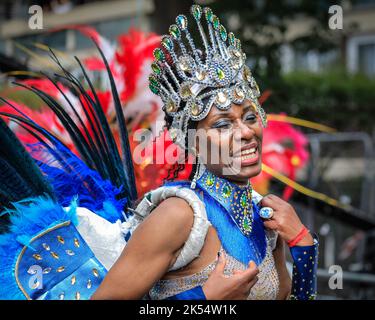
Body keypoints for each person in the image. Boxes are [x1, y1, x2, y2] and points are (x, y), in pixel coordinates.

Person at [0, 5, 318, 301]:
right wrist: (204, 298)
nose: (246, 131)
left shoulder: (266, 218)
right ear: (192, 141)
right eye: (223, 124)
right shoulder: (181, 216)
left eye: (250, 117)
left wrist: (303, 245)